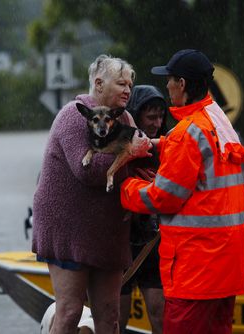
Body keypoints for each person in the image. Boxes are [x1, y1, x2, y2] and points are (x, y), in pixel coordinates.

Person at [120, 49, 244, 333]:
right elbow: (200, 159)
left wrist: (125, 188)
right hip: (226, 266)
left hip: (196, 270)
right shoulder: (217, 119)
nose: (166, 86)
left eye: (169, 79)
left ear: (181, 84)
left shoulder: (187, 133)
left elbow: (163, 197)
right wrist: (156, 144)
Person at [31, 54, 152, 334]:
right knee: (70, 311)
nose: (127, 90)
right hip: (68, 228)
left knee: (110, 317)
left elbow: (138, 156)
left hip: (106, 232)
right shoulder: (74, 115)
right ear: (99, 84)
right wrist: (131, 153)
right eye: (121, 84)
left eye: (130, 86)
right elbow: (89, 172)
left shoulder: (125, 118)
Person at [119, 85, 168, 334]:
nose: (157, 123)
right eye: (151, 117)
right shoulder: (118, 147)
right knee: (117, 318)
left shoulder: (166, 148)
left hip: (152, 241)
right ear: (136, 116)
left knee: (160, 314)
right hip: (121, 241)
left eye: (161, 117)